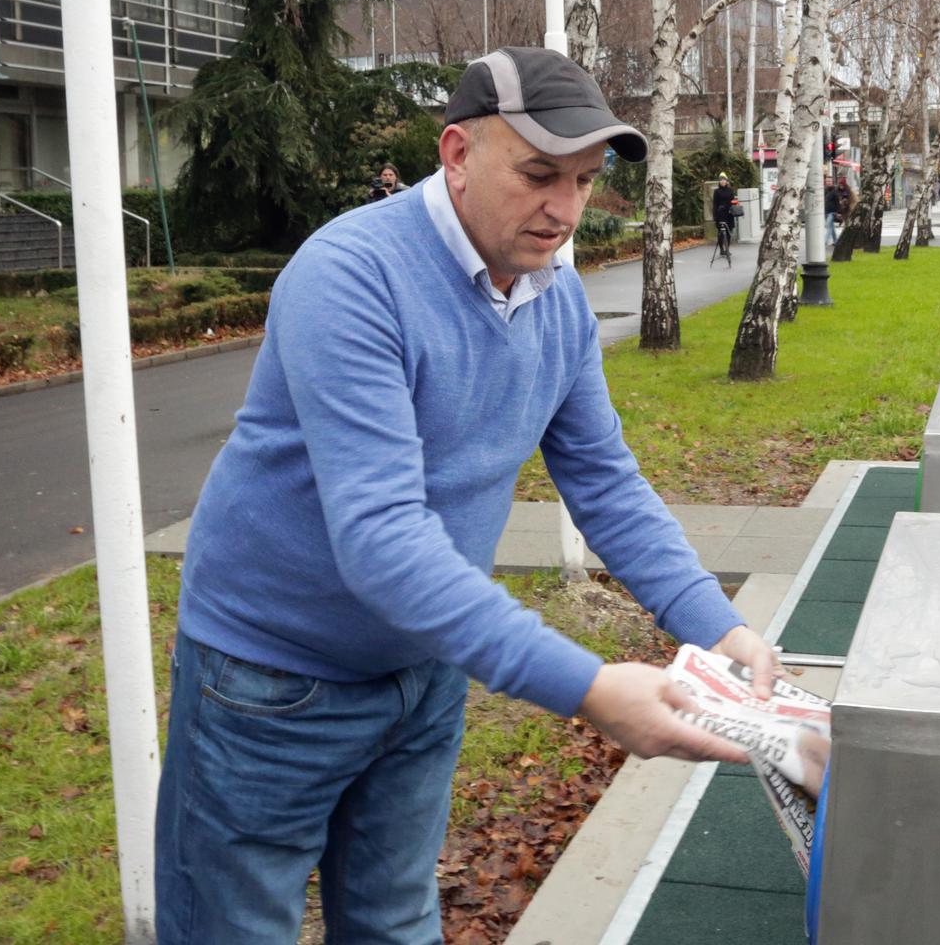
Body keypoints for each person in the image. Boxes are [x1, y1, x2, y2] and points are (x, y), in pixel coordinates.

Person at [155, 46, 776, 944]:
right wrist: (590, 688)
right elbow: (382, 538)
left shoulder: (552, 297)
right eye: (537, 175)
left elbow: (605, 483)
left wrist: (718, 627)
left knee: (396, 922)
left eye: (584, 180)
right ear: (455, 152)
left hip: (424, 672)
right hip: (270, 678)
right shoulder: (351, 276)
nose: (564, 210)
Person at [712, 172, 736, 237]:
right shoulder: (716, 191)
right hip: (720, 213)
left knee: (729, 232)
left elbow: (733, 201)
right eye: (721, 180)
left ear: (726, 181)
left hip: (729, 213)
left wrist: (734, 206)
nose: (722, 181)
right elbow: (715, 203)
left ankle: (726, 246)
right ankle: (721, 245)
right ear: (719, 181)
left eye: (724, 180)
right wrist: (714, 215)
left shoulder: (730, 190)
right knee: (720, 232)